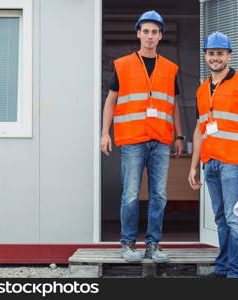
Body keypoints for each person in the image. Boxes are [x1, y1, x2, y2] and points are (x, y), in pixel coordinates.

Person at [100, 10, 184, 263]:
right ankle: (127, 244)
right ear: (138, 34)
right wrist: (105, 133)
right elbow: (111, 100)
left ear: (160, 36)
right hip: (133, 139)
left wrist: (179, 136)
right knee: (131, 194)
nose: (149, 36)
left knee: (159, 195)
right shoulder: (122, 65)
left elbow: (174, 105)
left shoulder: (170, 69)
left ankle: (153, 245)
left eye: (154, 32)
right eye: (145, 31)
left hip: (160, 139)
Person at [188, 32, 238, 278]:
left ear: (228, 56)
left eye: (220, 54)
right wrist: (194, 165)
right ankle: (223, 267)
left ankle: (236, 273)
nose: (215, 58)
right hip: (211, 162)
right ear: (205, 56)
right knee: (221, 219)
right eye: (211, 53)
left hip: (234, 163)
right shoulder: (202, 90)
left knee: (235, 219)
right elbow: (199, 129)